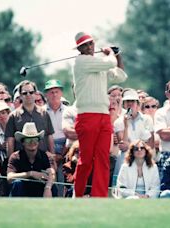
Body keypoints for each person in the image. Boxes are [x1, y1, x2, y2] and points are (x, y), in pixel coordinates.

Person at [72, 31, 127, 197]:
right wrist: (110, 54)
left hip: (103, 116)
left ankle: (99, 197)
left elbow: (120, 76)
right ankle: (78, 194)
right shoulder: (81, 61)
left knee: (103, 158)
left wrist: (118, 56)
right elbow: (109, 63)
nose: (90, 47)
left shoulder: (98, 63)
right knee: (86, 160)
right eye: (86, 45)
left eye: (91, 44)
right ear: (79, 48)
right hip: (86, 116)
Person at [5, 80, 55, 159]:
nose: (28, 95)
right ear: (20, 95)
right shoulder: (13, 116)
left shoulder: (44, 113)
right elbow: (10, 140)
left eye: (31, 92)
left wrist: (53, 156)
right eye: (25, 93)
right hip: (21, 160)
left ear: (35, 94)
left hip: (43, 159)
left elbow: (49, 136)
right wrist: (9, 161)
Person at [7, 122, 55, 197]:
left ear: (38, 142)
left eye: (35, 139)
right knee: (17, 183)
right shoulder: (15, 156)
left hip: (41, 190)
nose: (32, 142)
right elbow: (9, 177)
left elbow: (52, 175)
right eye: (28, 140)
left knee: (53, 187)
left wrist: (47, 188)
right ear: (22, 142)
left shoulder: (46, 156)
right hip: (21, 193)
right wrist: (30, 174)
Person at [44, 79, 67, 196]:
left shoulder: (68, 111)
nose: (54, 94)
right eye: (51, 92)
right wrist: (51, 154)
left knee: (64, 178)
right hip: (47, 148)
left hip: (66, 148)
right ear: (46, 94)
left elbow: (71, 135)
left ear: (61, 93)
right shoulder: (42, 111)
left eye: (56, 91)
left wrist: (62, 154)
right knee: (50, 178)